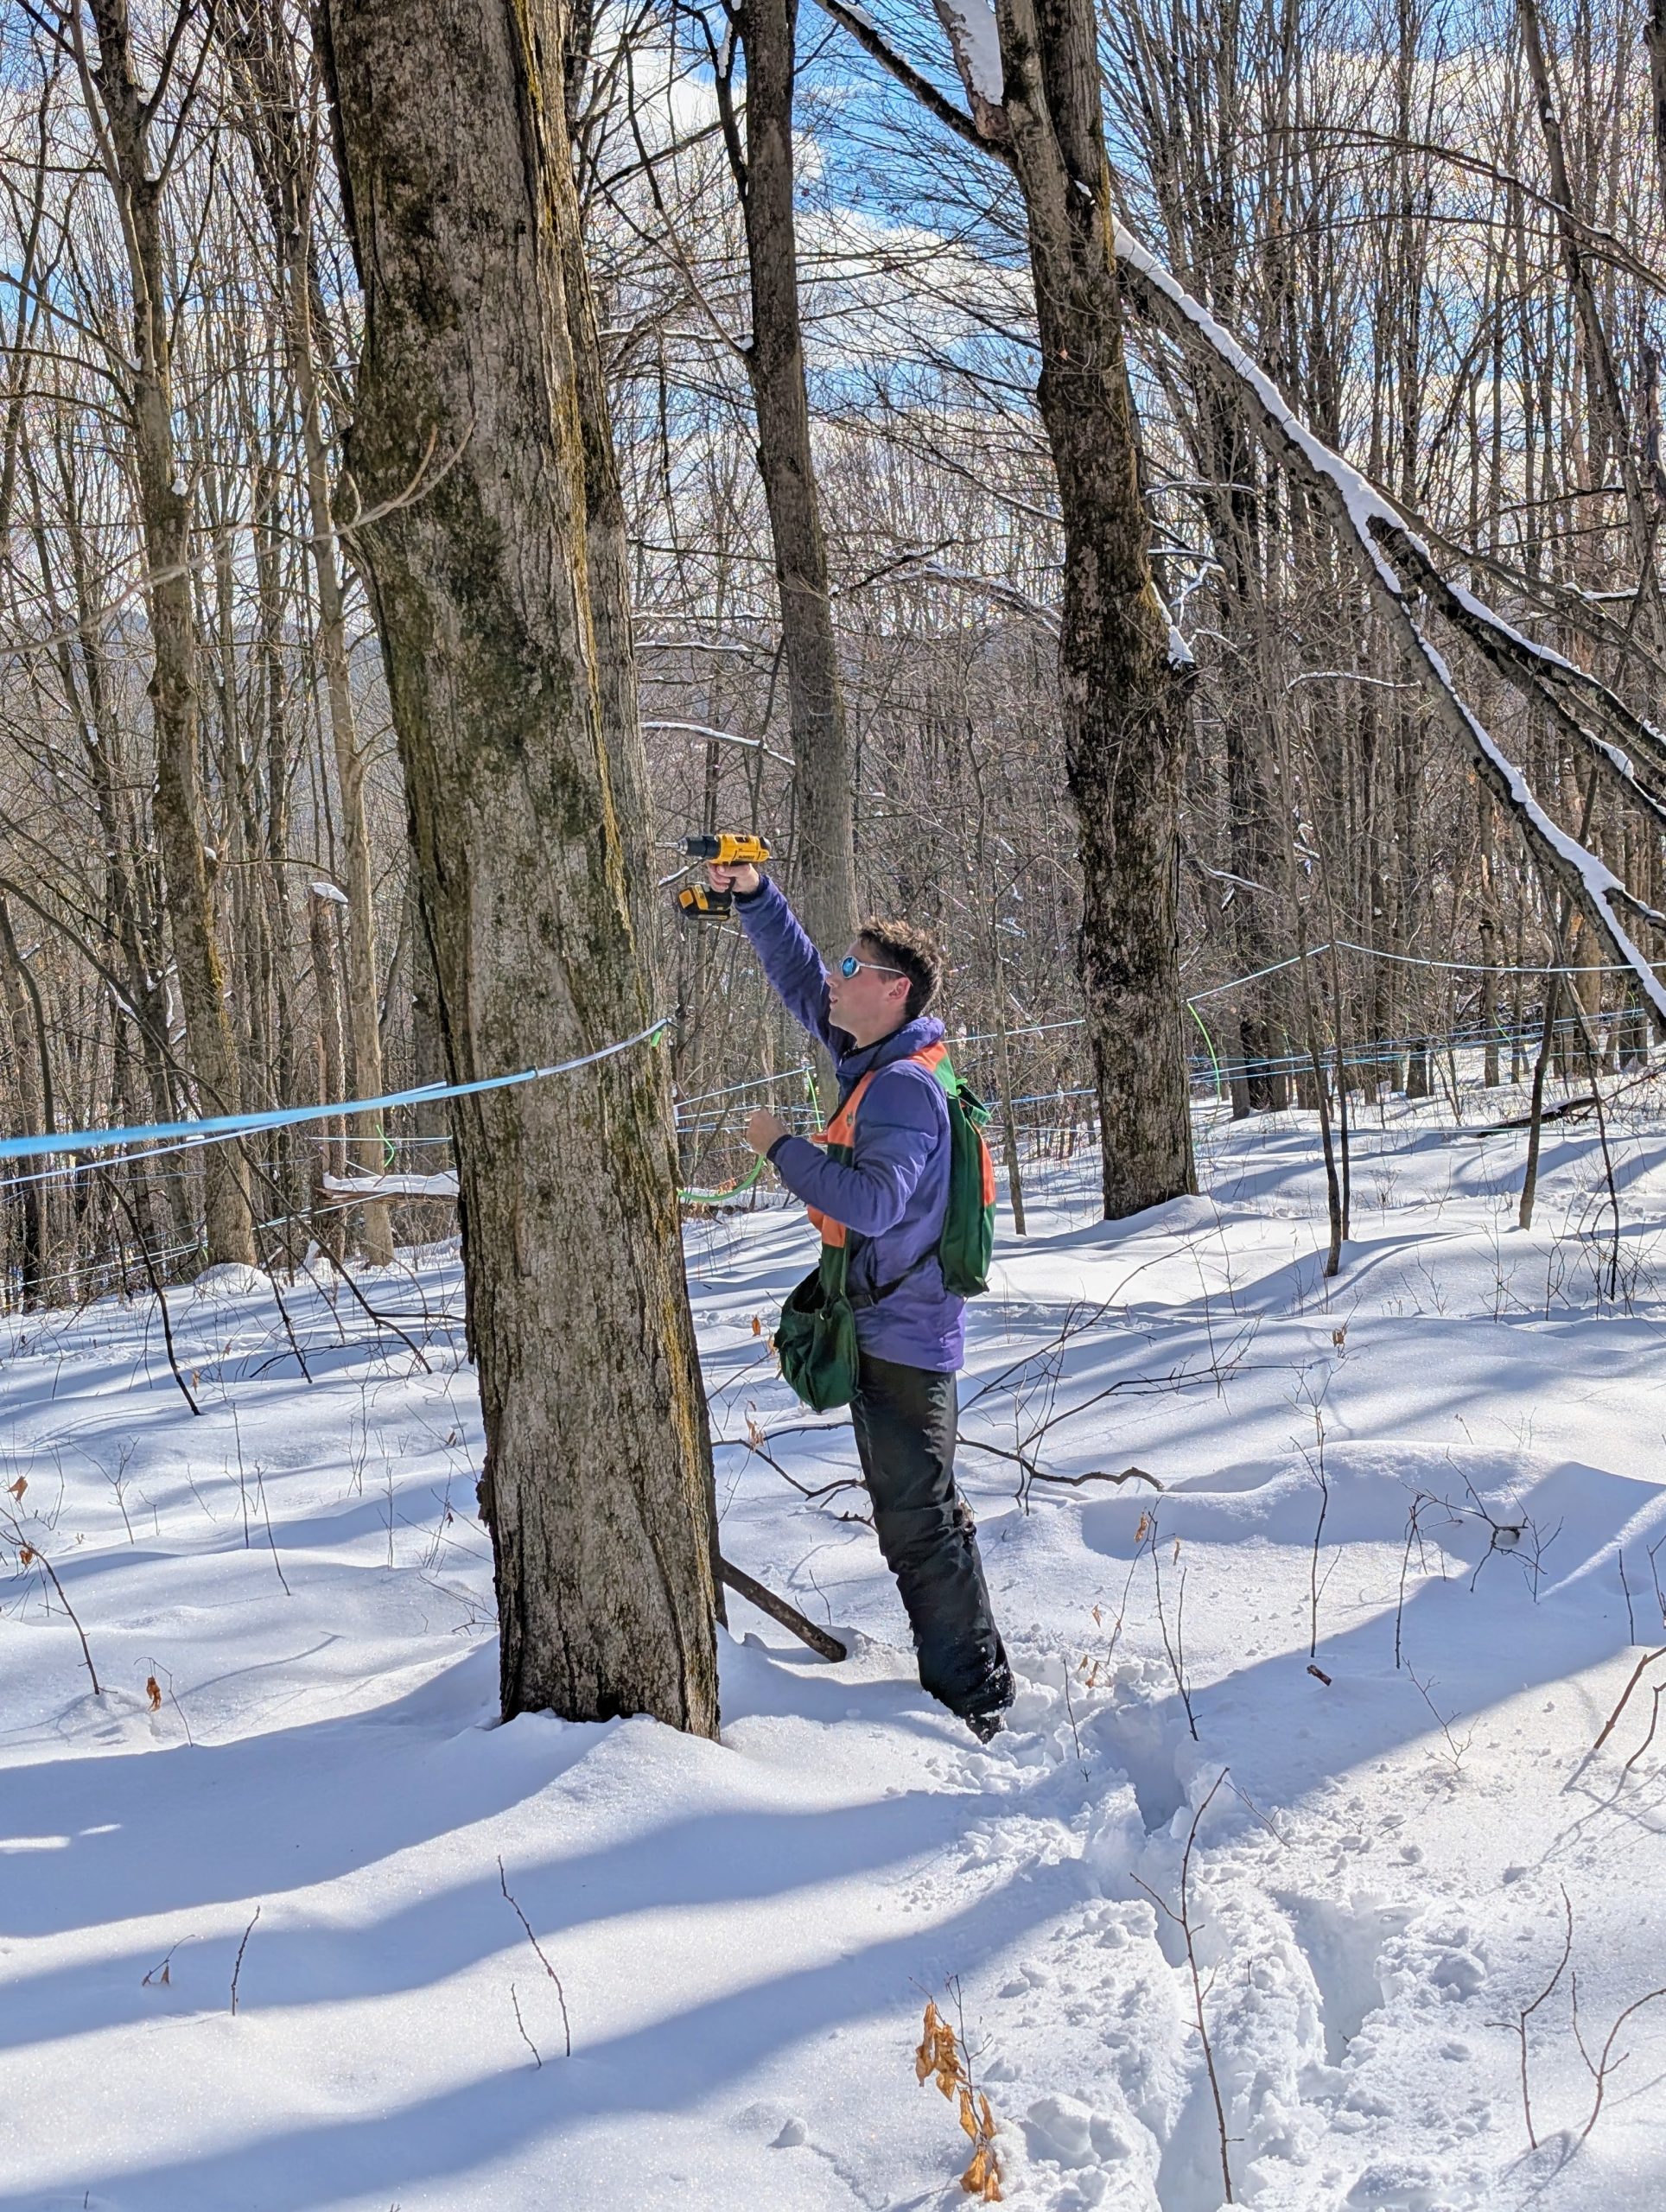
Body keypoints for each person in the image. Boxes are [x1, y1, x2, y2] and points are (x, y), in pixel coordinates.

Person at [711, 855, 1015, 1742]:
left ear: (894, 990)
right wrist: (755, 897)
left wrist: (781, 1148)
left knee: (919, 1523)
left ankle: (973, 1699)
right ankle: (975, 1681)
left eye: (853, 967)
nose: (836, 979)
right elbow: (800, 978)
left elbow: (875, 1204)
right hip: (891, 1324)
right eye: (842, 964)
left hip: (905, 1340)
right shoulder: (875, 1056)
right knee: (922, 1513)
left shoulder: (903, 1090)